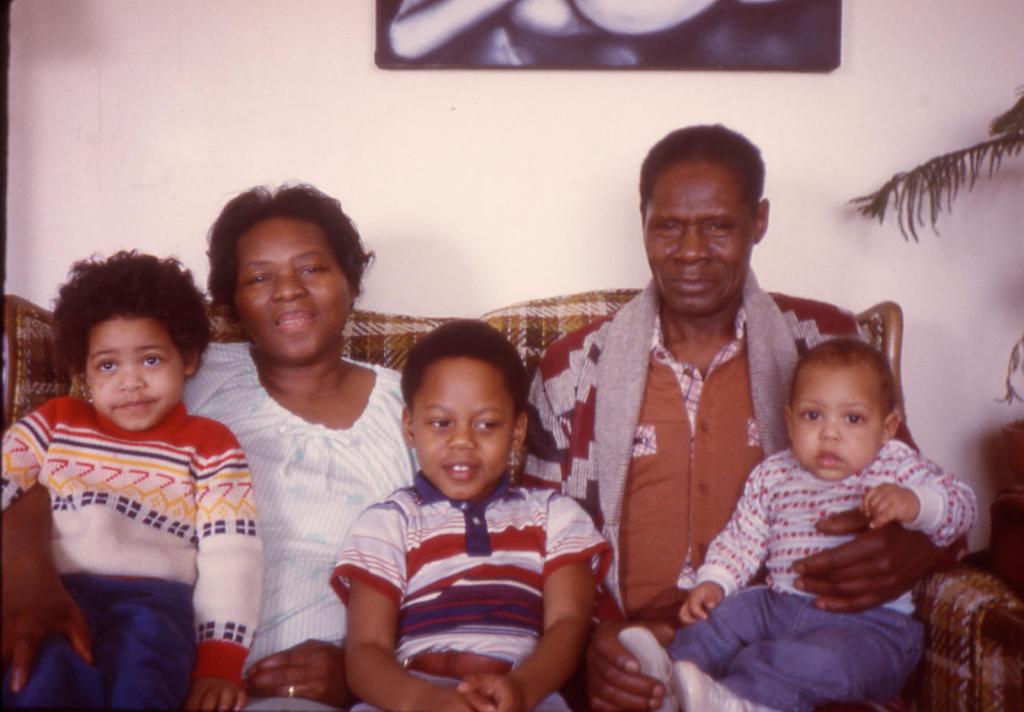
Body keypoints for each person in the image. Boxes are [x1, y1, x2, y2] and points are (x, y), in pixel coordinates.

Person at [522, 124, 954, 711]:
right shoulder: (571, 370)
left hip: (798, 646)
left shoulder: (826, 345)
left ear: (760, 221)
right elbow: (535, 540)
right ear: (641, 219)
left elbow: (934, 504)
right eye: (668, 226)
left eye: (719, 226)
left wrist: (913, 551)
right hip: (641, 657)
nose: (690, 251)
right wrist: (595, 635)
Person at [2, 184, 415, 710]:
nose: (288, 290)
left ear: (350, 280)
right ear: (232, 302)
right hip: (163, 662)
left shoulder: (414, 405)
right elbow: (62, 471)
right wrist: (28, 578)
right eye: (259, 277)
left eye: (312, 268)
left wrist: (367, 668)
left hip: (327, 683)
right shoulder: (177, 374)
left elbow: (455, 556)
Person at [617, 338, 976, 712]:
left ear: (888, 427)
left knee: (812, 662)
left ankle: (740, 702)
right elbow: (744, 538)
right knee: (719, 622)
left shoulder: (897, 466)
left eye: (853, 419)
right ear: (790, 421)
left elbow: (964, 504)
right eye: (812, 416)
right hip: (778, 604)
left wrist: (916, 504)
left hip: (868, 625)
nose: (830, 433)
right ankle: (668, 678)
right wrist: (714, 582)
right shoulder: (775, 473)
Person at [1, 251, 263, 710]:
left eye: (150, 360)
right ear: (81, 372)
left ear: (189, 359)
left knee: (141, 684)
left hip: (155, 606)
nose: (130, 383)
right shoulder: (55, 422)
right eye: (107, 365)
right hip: (55, 592)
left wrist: (219, 664)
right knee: (36, 680)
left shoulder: (211, 445)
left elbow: (233, 555)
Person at [333, 320, 610, 711]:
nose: (462, 441)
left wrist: (522, 688)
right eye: (440, 423)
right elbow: (365, 652)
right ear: (410, 427)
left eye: (486, 424)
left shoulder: (555, 516)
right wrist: (426, 702)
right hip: (413, 694)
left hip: (522, 691)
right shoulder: (387, 524)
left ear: (517, 430)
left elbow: (570, 624)